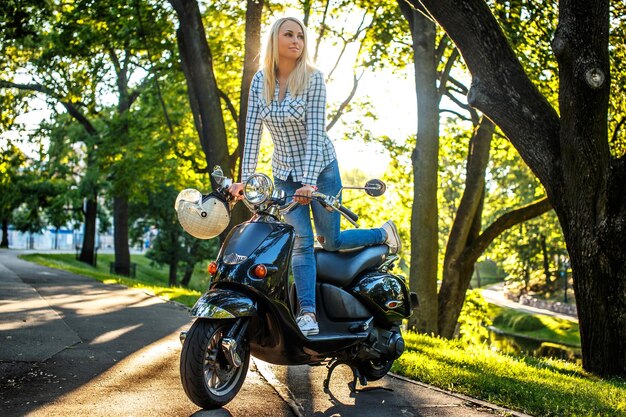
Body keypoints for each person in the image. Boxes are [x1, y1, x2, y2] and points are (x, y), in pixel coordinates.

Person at [229, 17, 400, 337]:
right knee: (301, 243)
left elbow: (313, 135)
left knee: (330, 240)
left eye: (300, 36)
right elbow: (251, 132)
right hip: (282, 173)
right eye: (288, 34)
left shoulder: (313, 79)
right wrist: (245, 180)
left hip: (321, 169)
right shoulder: (259, 81)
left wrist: (309, 181)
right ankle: (307, 313)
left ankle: (382, 234)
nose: (296, 40)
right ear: (274, 40)